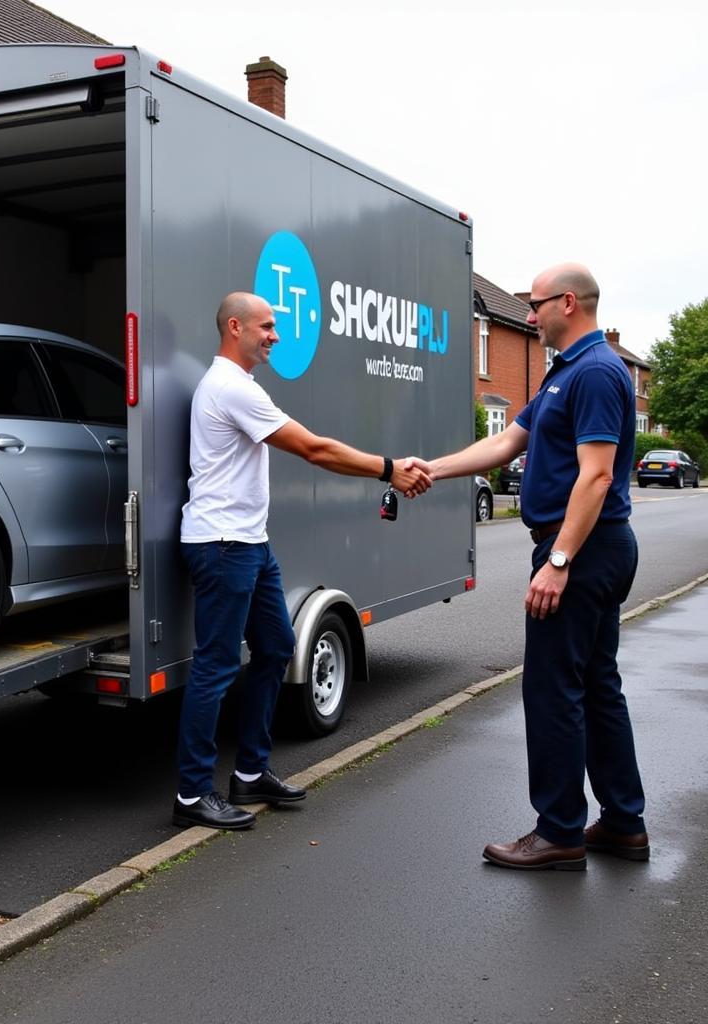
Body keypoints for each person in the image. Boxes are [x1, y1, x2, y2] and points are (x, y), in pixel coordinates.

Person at [408, 262, 649, 869]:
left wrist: (560, 559)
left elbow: (596, 475)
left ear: (569, 303)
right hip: (594, 549)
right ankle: (622, 822)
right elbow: (505, 442)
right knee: (596, 686)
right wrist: (431, 469)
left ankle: (560, 831)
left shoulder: (595, 372)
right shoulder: (563, 375)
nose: (529, 315)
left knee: (553, 691)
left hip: (583, 550)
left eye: (535, 304)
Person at [173, 291, 432, 830]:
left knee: (275, 648)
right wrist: (388, 468)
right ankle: (192, 795)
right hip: (222, 545)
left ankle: (249, 773)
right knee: (216, 667)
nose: (274, 336)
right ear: (235, 327)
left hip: (248, 543)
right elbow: (314, 449)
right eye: (266, 327)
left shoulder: (240, 386)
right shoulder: (227, 387)